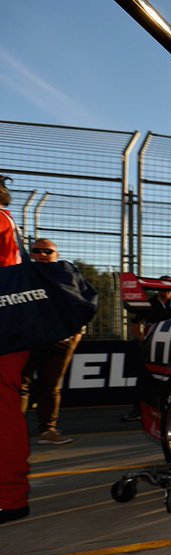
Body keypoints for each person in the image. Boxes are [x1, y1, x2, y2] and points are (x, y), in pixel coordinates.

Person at [20, 239, 84, 445]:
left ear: (56, 254)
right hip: (27, 339)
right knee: (21, 385)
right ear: (31, 254)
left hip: (60, 341)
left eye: (48, 251)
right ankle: (13, 432)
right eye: (37, 251)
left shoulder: (68, 275)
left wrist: (78, 332)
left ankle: (48, 430)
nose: (42, 254)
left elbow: (84, 303)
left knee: (50, 386)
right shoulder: (21, 274)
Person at [0, 176, 31, 524]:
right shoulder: (6, 219)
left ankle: (9, 497)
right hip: (11, 329)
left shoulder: (1, 221)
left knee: (4, 413)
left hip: (5, 332)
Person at [121, 276, 171, 422]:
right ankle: (137, 410)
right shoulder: (149, 303)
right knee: (145, 378)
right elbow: (135, 323)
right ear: (158, 288)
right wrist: (141, 338)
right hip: (152, 346)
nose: (167, 290)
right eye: (164, 287)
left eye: (170, 288)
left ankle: (170, 410)